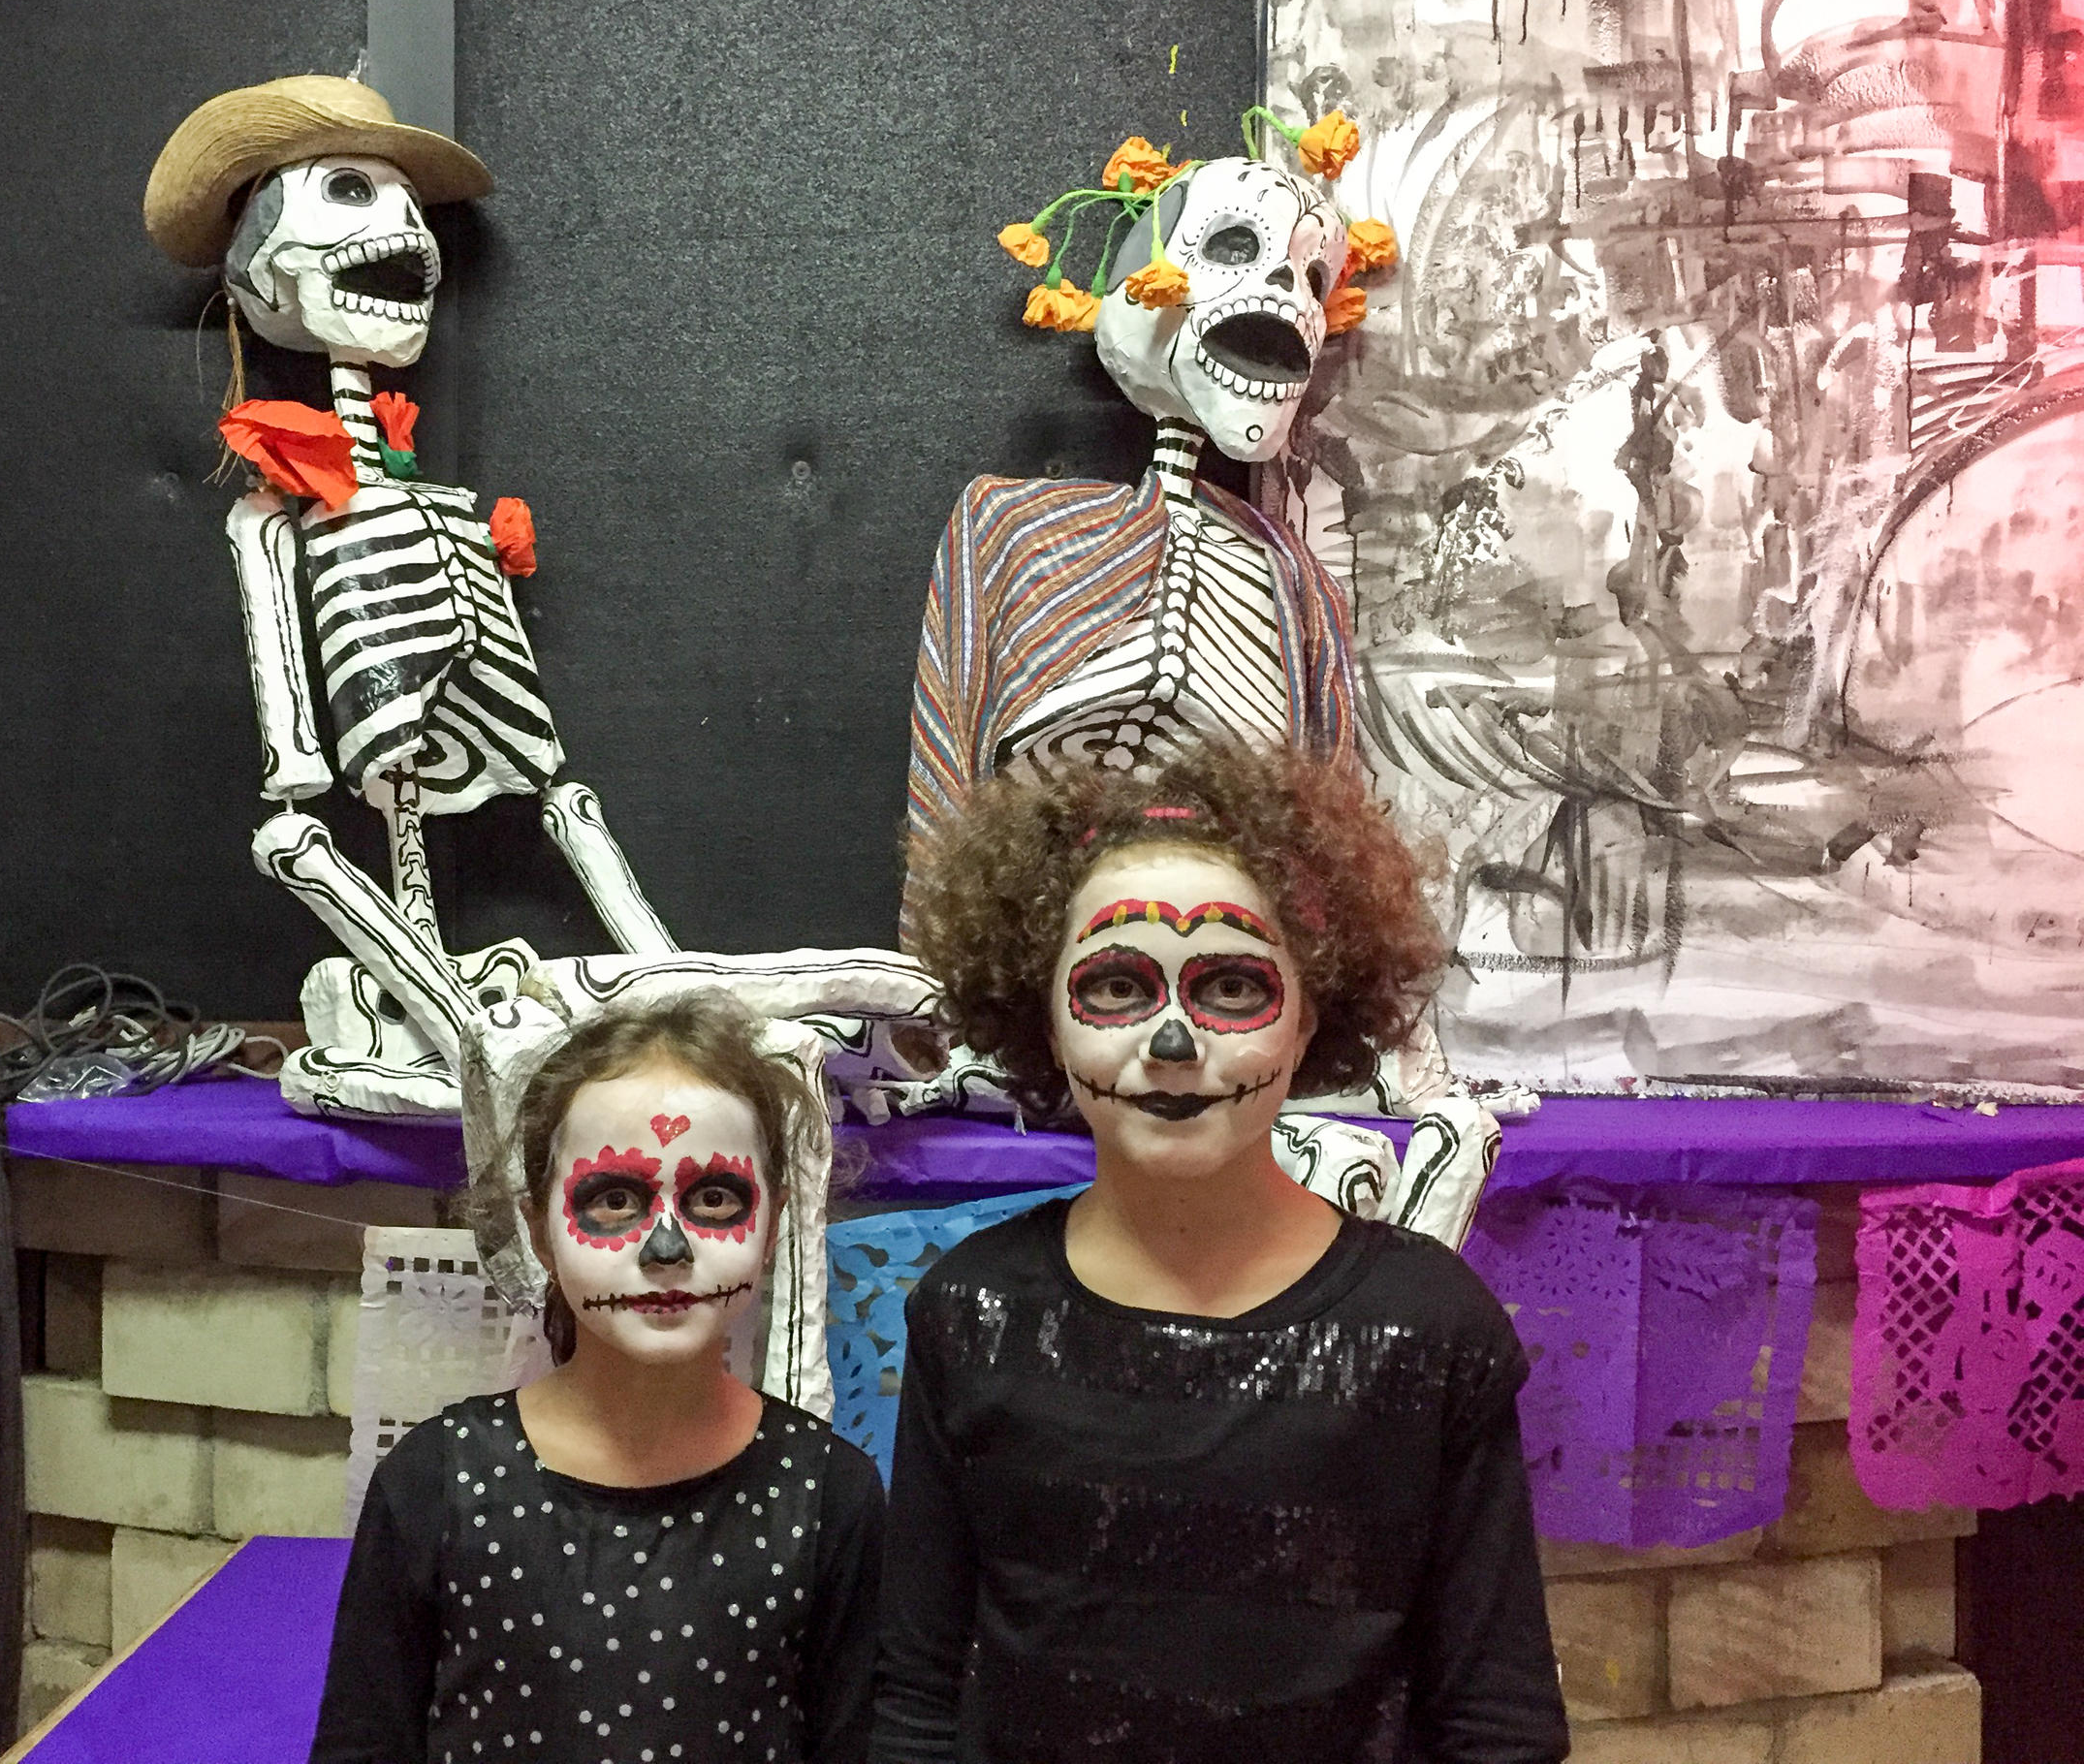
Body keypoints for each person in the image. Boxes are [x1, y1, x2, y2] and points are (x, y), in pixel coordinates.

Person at [877, 733, 1568, 1763]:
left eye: (1232, 989)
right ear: (1043, 1018)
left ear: (1311, 1018)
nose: (1170, 1044)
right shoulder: (971, 1311)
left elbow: (1497, 1720)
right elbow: (915, 1700)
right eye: (1115, 986)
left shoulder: (1427, 1328)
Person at [311, 994, 887, 1764]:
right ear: (542, 1229)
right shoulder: (436, 1483)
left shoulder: (827, 1496)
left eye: (715, 1198)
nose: (667, 1247)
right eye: (613, 1199)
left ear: (773, 1222)